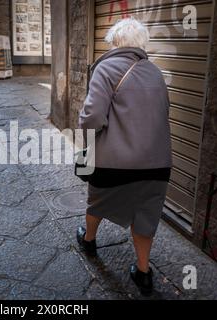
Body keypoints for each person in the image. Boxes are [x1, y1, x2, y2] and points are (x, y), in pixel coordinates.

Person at [77, 18, 172, 296]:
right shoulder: (156, 72)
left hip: (113, 162)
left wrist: (92, 130)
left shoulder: (106, 67)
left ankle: (89, 240)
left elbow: (93, 117)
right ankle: (143, 272)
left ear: (114, 41)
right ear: (142, 43)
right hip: (157, 163)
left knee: (98, 200)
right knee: (146, 216)